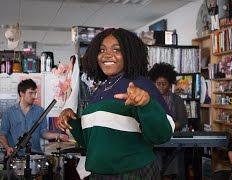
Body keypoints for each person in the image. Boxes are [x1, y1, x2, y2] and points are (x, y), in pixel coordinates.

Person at [57, 28, 175, 179]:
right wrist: (71, 121)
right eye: (102, 50)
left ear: (129, 54)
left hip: (132, 174)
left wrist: (146, 104)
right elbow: (92, 143)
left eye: (116, 49)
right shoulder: (99, 90)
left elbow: (163, 135)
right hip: (99, 174)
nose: (107, 54)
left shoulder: (140, 84)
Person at [0, 79, 69, 156]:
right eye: (30, 93)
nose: (34, 96)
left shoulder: (40, 111)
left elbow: (43, 133)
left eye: (35, 93)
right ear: (22, 93)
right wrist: (7, 147)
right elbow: (2, 134)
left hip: (35, 156)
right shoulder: (8, 112)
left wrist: (59, 135)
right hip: (15, 156)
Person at [149, 62, 188, 180]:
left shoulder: (177, 100)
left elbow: (182, 121)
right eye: (158, 84)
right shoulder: (148, 100)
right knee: (155, 157)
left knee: (176, 159)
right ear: (153, 84)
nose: (161, 86)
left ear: (170, 85)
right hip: (154, 141)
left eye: (164, 84)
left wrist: (168, 127)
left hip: (173, 139)